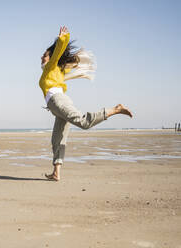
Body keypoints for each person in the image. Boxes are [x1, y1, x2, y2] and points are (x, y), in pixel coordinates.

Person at [39, 26, 133, 181]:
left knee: (83, 122)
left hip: (59, 101)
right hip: (56, 107)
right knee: (57, 139)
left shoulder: (52, 66)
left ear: (51, 58)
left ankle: (115, 109)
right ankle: (56, 172)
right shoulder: (55, 71)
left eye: (44, 55)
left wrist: (62, 38)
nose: (41, 57)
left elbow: (58, 52)